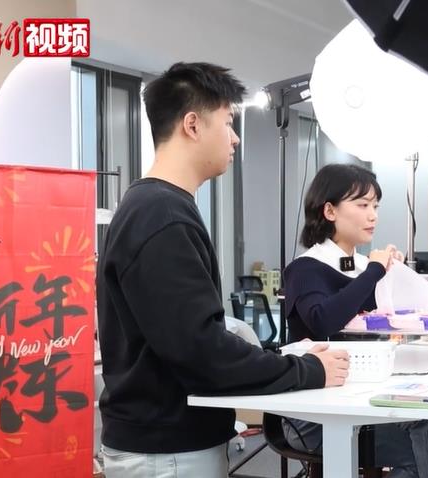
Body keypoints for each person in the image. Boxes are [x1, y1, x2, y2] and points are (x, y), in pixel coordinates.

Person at [96, 62, 350, 478]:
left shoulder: (159, 208)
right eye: (228, 122)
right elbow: (202, 352)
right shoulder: (161, 216)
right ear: (192, 125)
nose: (235, 138)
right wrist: (307, 370)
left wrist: (283, 357)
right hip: (168, 453)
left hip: (168, 444)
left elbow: (192, 337)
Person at [282, 163, 428, 477]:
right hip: (313, 414)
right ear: (329, 211)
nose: (373, 215)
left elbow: (388, 317)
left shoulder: (362, 265)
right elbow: (324, 320)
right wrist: (375, 272)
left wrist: (392, 276)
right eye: (362, 205)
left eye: (375, 206)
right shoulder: (305, 268)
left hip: (359, 397)